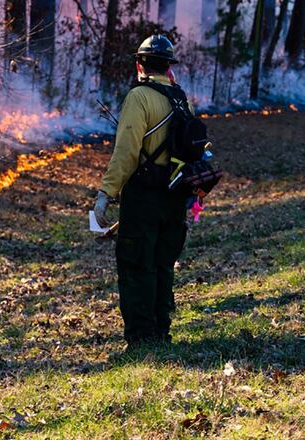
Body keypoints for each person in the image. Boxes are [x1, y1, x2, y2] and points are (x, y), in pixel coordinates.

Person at [94, 34, 193, 348]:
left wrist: (104, 195)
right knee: (162, 263)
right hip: (175, 193)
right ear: (168, 66)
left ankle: (141, 340)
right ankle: (161, 333)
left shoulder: (139, 97)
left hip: (144, 195)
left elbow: (126, 152)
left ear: (140, 63)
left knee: (137, 263)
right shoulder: (180, 97)